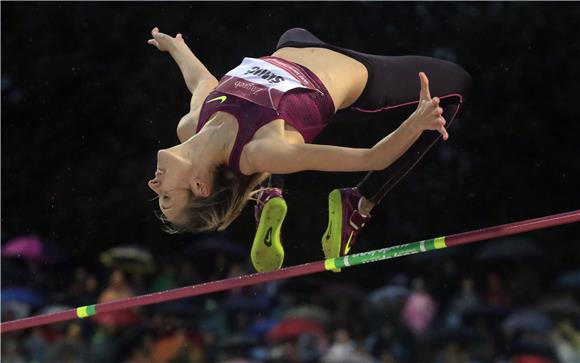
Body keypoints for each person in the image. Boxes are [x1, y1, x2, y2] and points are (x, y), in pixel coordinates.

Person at [147, 27, 471, 272]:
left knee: (287, 35)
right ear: (201, 186)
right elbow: (373, 157)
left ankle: (271, 194)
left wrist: (177, 48)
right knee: (457, 83)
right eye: (166, 196)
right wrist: (417, 121)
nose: (154, 184)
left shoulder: (193, 124)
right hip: (359, 76)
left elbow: (201, 81)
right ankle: (359, 202)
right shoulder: (261, 152)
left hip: (296, 42)